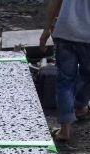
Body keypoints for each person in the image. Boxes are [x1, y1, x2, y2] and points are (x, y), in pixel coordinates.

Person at [40, 0, 90, 142]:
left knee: (65, 82)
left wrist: (46, 29)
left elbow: (55, 2)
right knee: (87, 76)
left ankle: (65, 130)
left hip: (65, 32)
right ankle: (81, 106)